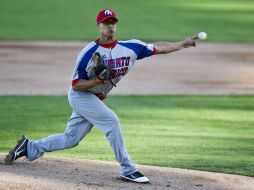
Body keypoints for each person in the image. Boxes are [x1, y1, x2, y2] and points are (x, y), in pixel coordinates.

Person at [4, 9, 198, 183]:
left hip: (95, 99)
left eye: (113, 22)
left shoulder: (131, 47)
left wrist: (182, 44)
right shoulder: (89, 52)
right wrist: (97, 82)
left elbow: (158, 48)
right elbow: (76, 85)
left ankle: (29, 147)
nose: (110, 25)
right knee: (111, 121)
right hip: (81, 96)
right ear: (99, 26)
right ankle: (128, 169)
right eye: (106, 23)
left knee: (70, 138)